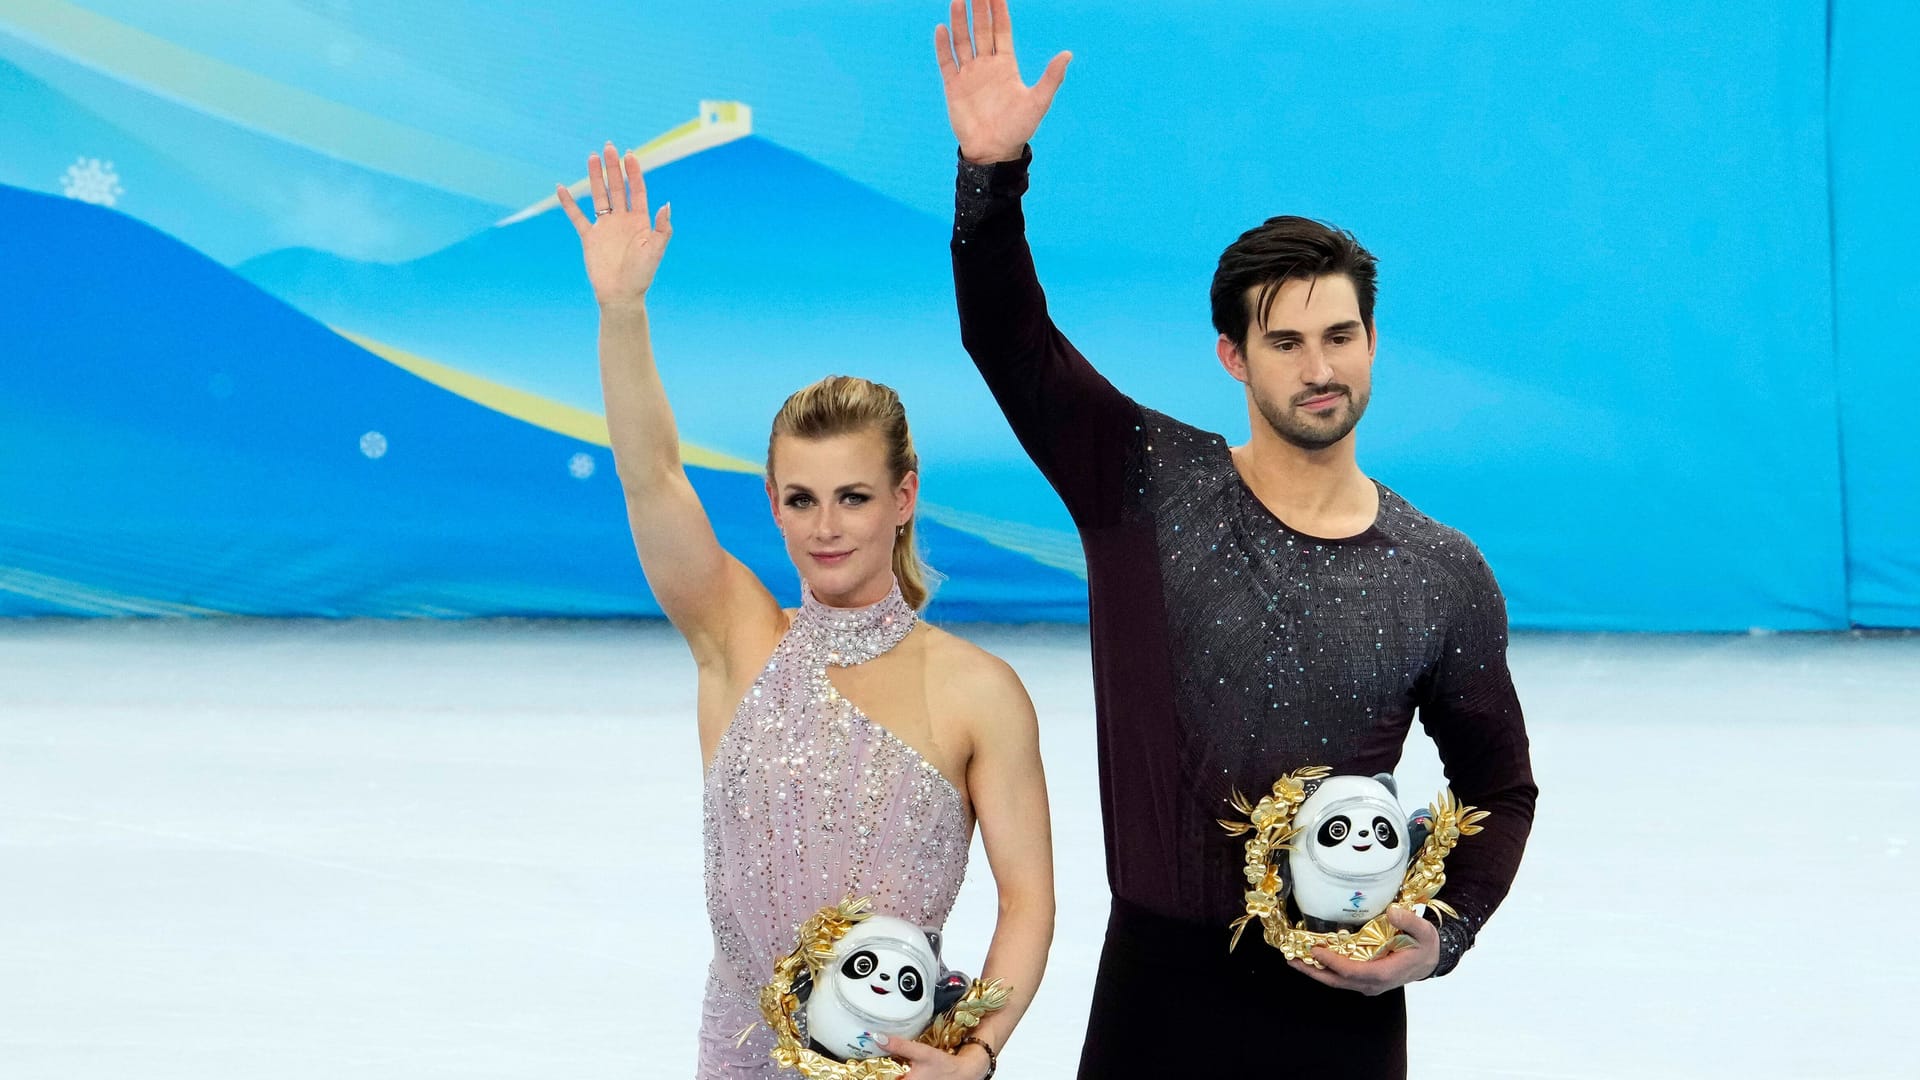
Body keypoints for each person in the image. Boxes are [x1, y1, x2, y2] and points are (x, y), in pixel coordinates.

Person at [931, 3, 1538, 1076]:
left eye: (1341, 336)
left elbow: (1500, 787)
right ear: (1232, 357)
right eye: (1288, 340)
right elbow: (1009, 341)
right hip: (1155, 1004)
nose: (1320, 368)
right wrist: (993, 173)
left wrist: (1441, 933)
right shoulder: (1144, 483)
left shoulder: (1442, 572)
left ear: (1374, 342)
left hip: (1342, 1012)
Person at [556, 142, 1053, 1080]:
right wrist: (621, 313)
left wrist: (979, 1056)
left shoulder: (979, 691)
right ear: (775, 502)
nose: (826, 529)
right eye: (801, 500)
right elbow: (651, 476)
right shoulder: (736, 636)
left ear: (904, 497)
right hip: (738, 1057)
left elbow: (1028, 904)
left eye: (854, 497)